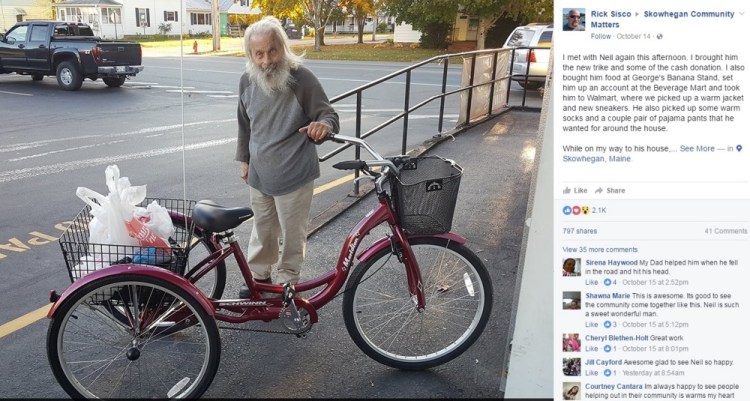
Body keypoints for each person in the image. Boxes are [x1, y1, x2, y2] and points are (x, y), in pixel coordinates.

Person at [235, 16, 340, 298]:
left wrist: (324, 126)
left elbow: (328, 114)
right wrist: (244, 160)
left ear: (282, 47)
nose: (266, 60)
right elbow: (245, 125)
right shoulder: (246, 81)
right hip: (260, 171)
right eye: (258, 53)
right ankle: (259, 277)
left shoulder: (301, 78)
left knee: (292, 235)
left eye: (272, 50)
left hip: (294, 172)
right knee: (263, 229)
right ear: (250, 55)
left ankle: (286, 283)